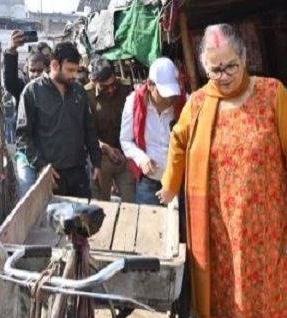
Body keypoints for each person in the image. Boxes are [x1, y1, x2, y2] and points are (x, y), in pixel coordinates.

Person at [157, 24, 287, 318]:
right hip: (218, 235)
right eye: (215, 69)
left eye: (231, 66)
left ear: (245, 58)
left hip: (267, 231)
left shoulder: (273, 94)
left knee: (263, 294)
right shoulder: (198, 104)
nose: (225, 76)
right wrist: (170, 183)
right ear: (204, 68)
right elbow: (178, 142)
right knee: (221, 305)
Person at [16, 42, 101, 198]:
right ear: (55, 65)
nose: (74, 75)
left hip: (78, 174)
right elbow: (23, 136)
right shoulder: (32, 92)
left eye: (76, 70)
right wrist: (41, 166)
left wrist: (96, 162)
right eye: (70, 70)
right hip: (52, 176)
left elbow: (89, 128)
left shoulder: (79, 91)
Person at [120, 57, 185, 205]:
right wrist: (141, 158)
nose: (169, 98)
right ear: (150, 85)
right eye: (163, 93)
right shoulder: (133, 103)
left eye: (171, 93)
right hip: (149, 181)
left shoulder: (182, 102)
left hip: (178, 180)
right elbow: (125, 140)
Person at [85, 57, 136, 202]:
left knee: (130, 204)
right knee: (101, 205)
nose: (111, 89)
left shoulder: (126, 88)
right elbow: (85, 132)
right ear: (93, 81)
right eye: (104, 87)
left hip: (125, 157)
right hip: (100, 160)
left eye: (113, 84)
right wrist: (104, 147)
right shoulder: (86, 95)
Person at [4, 31, 50, 105]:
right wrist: (11, 50)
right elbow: (10, 82)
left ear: (47, 69)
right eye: (32, 70)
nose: (36, 74)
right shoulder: (22, 89)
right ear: (27, 70)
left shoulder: (55, 89)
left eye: (40, 71)